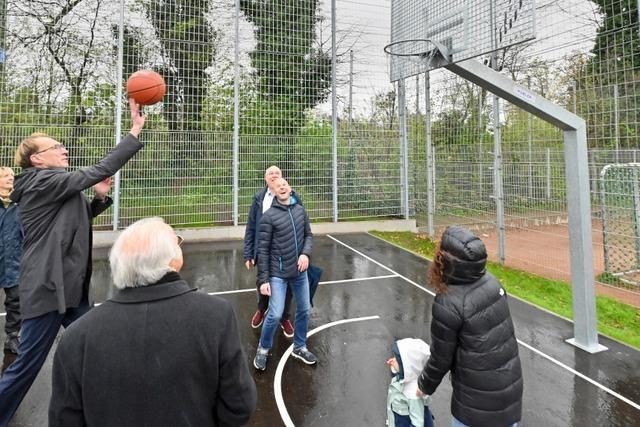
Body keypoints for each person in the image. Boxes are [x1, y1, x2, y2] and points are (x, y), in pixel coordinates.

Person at [0, 98, 146, 425]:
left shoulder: (55, 187)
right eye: (57, 146)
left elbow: (74, 220)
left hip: (71, 290)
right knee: (26, 367)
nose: (64, 149)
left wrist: (98, 199)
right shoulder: (40, 182)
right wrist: (134, 129)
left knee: (97, 348)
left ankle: (102, 408)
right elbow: (101, 168)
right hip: (49, 290)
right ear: (37, 159)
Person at [49, 217, 257, 426]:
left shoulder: (77, 336)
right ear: (173, 260)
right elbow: (239, 404)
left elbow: (64, 419)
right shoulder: (216, 317)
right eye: (178, 241)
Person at [416, 226, 523, 427]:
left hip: (476, 403)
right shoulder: (493, 283)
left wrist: (424, 385)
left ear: (444, 260)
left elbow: (441, 358)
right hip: (510, 390)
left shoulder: (448, 302)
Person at [253, 177, 316, 370]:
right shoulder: (268, 216)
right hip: (277, 274)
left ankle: (300, 346)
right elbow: (262, 250)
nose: (281, 187)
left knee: (304, 310)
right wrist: (263, 279)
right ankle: (263, 349)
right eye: (278, 185)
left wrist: (305, 254)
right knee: (274, 314)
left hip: (299, 273)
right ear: (273, 191)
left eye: (284, 184)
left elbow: (309, 236)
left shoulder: (300, 210)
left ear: (290, 189)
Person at [243, 165, 299, 337]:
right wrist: (248, 253)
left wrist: (304, 252)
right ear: (265, 179)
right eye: (270, 173)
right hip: (264, 250)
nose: (274, 175)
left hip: (287, 250)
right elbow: (251, 227)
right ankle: (262, 308)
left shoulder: (293, 196)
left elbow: (301, 223)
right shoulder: (259, 198)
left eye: (278, 173)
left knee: (287, 286)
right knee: (263, 282)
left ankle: (284, 317)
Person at [386, 338, 435, 427]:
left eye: (396, 360)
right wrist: (394, 369)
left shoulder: (413, 393)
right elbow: (399, 377)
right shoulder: (406, 376)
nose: (392, 360)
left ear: (407, 367)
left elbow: (417, 423)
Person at [0, 167, 22, 356]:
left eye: (12, 176)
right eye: (6, 176)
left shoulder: (19, 203)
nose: (11, 178)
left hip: (14, 261)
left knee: (15, 301)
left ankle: (12, 337)